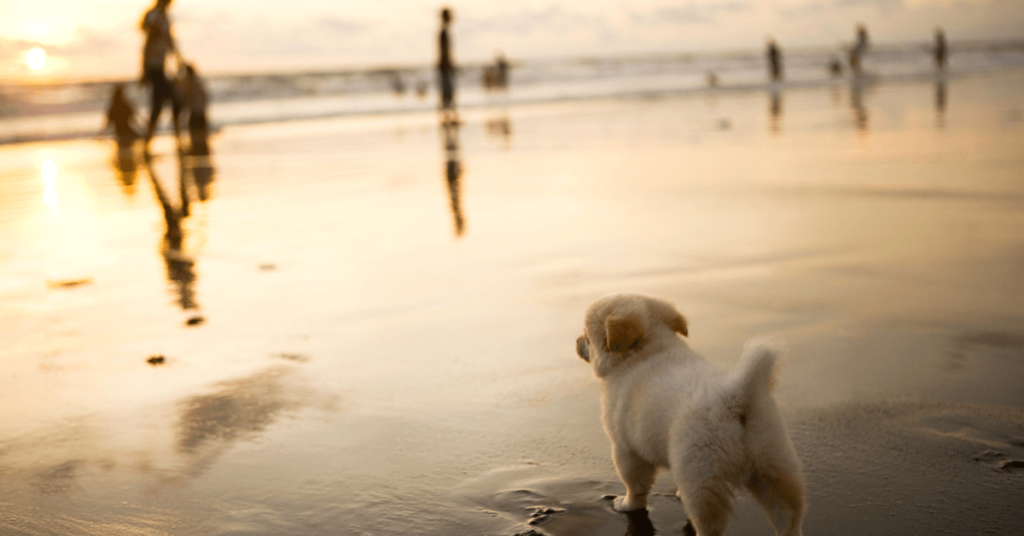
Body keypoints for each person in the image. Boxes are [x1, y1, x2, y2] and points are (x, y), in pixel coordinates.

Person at [140, 0, 181, 146]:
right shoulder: (153, 15)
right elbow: (147, 41)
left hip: (161, 66)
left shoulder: (164, 17)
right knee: (163, 102)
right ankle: (149, 141)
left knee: (165, 102)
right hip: (153, 67)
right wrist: (143, 70)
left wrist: (179, 61)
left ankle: (150, 140)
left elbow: (170, 41)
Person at [104, 83, 141, 148]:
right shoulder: (126, 104)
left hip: (119, 132)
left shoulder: (113, 106)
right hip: (127, 130)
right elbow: (133, 119)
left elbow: (109, 122)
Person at [437, 8, 457, 123]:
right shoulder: (443, 32)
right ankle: (448, 116)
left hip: (444, 65)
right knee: (448, 92)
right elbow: (444, 52)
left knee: (447, 92)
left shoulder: (444, 32)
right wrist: (449, 65)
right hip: (445, 66)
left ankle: (448, 116)